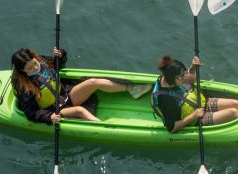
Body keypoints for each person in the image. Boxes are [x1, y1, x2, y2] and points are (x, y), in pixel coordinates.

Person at [11, 47, 149, 124]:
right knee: (80, 111)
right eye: (29, 68)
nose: (35, 68)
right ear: (22, 70)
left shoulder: (42, 61)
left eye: (34, 63)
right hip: (54, 110)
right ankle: (102, 126)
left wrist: (60, 55)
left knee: (94, 82)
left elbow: (59, 65)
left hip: (65, 95)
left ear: (34, 58)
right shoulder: (23, 87)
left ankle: (132, 89)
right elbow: (31, 113)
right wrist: (49, 117)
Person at [151, 56, 238, 133]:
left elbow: (192, 79)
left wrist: (193, 68)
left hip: (201, 103)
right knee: (232, 113)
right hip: (198, 119)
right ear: (174, 78)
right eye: (182, 76)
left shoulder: (171, 76)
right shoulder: (165, 100)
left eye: (184, 73)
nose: (185, 77)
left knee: (236, 103)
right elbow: (171, 128)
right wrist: (194, 115)